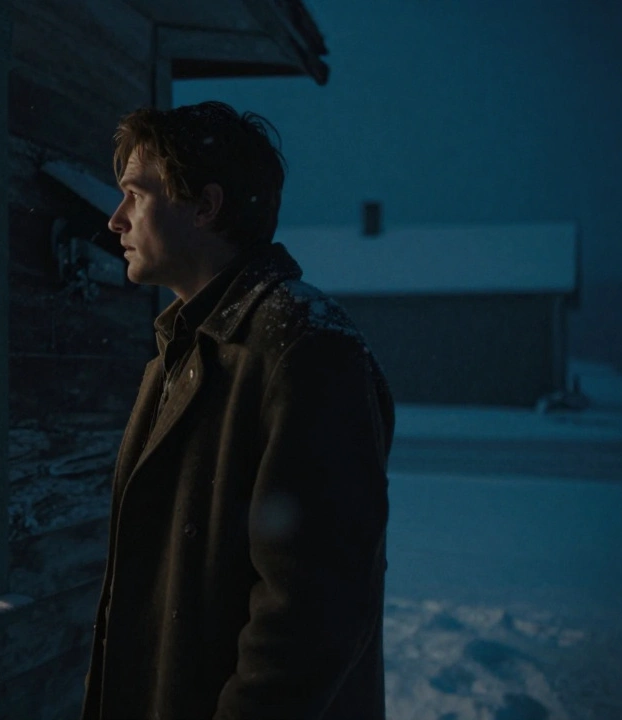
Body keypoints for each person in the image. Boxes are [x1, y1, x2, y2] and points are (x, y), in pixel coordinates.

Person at [82, 102, 394, 719]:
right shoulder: (183, 349)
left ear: (205, 206)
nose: (115, 220)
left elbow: (312, 609)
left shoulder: (304, 348)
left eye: (136, 196)